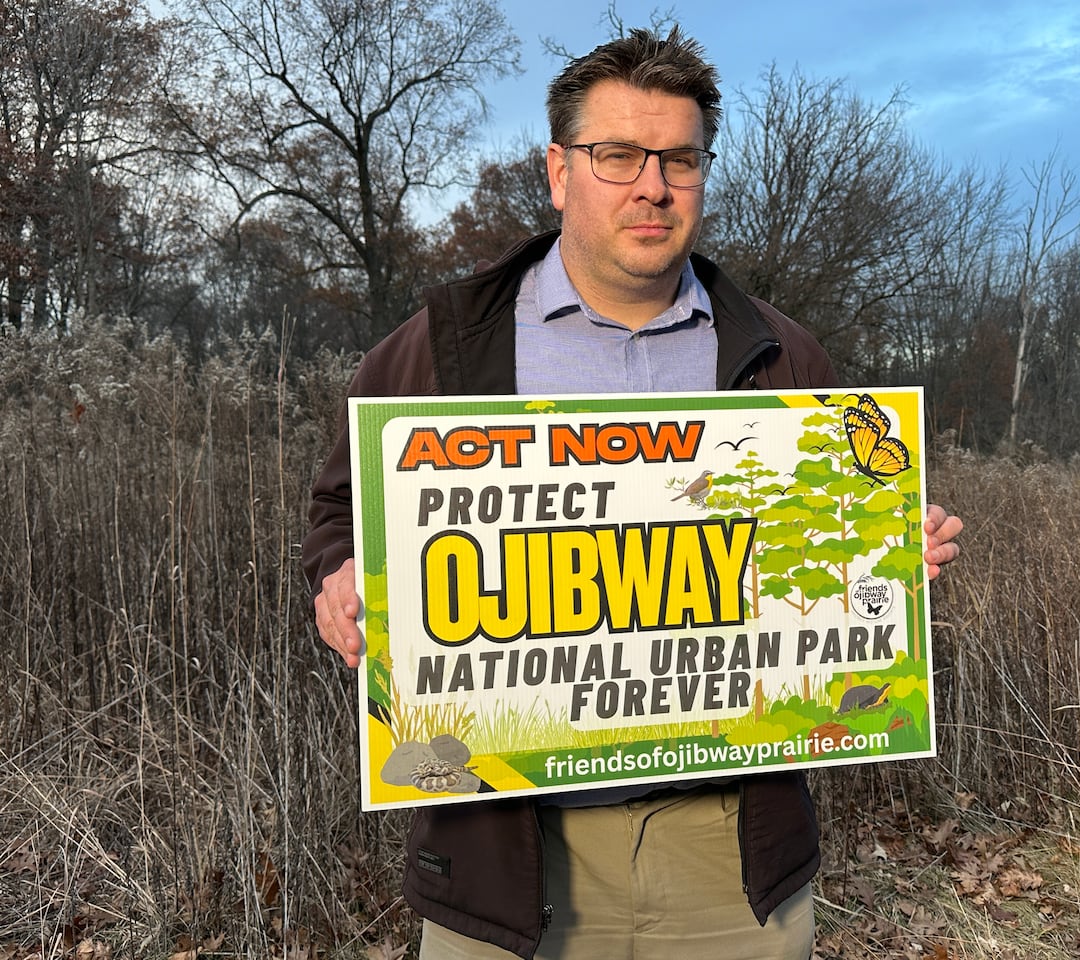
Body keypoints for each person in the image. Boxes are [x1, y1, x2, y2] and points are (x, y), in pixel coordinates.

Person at [303, 26, 963, 960]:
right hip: (507, 848)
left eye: (680, 159)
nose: (652, 185)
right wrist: (345, 579)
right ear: (559, 171)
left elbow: (832, 547)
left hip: (729, 852)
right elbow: (340, 509)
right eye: (618, 155)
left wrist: (892, 561)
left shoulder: (782, 355)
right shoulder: (446, 347)